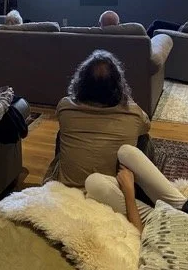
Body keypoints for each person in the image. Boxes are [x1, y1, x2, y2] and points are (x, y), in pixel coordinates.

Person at [44, 50, 150, 188]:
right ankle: (143, 187)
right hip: (111, 192)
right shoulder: (133, 113)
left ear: (81, 82)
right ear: (117, 85)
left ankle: (63, 174)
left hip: (68, 188)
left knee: (62, 133)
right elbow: (146, 126)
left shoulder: (65, 107)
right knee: (144, 138)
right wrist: (126, 100)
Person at [86, 144, 188, 233]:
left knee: (95, 183)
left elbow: (140, 235)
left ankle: (132, 190)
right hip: (185, 214)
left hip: (168, 224)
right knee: (127, 152)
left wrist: (129, 192)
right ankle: (185, 210)